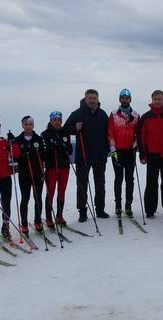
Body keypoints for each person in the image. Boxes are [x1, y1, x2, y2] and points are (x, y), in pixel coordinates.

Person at [63, 89, 110, 222]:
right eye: (89, 98)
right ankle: (82, 211)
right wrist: (75, 129)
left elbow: (109, 132)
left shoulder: (102, 114)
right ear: (85, 99)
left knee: (100, 183)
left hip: (100, 156)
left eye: (94, 98)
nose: (92, 100)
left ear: (97, 99)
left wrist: (107, 150)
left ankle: (100, 209)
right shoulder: (77, 114)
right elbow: (65, 129)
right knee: (82, 184)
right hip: (83, 155)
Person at [136, 90, 163, 218]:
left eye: (160, 99)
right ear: (152, 100)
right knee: (151, 184)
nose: (157, 101)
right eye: (155, 99)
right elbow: (140, 137)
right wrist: (142, 154)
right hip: (152, 156)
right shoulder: (146, 117)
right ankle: (150, 210)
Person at [107, 89, 140, 217]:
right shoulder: (114, 114)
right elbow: (110, 134)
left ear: (130, 100)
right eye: (123, 98)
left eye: (127, 98)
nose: (125, 100)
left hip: (130, 152)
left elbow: (138, 133)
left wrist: (136, 145)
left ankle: (128, 205)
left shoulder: (136, 115)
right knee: (118, 179)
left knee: (130, 180)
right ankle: (118, 206)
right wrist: (113, 150)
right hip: (117, 152)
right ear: (120, 99)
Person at [13, 115, 45, 235]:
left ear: (33, 125)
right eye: (26, 124)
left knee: (38, 198)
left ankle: (38, 221)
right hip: (24, 175)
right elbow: (15, 155)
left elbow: (43, 154)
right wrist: (22, 156)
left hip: (37, 173)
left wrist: (36, 154)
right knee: (25, 199)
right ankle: (24, 223)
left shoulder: (39, 139)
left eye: (30, 124)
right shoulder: (18, 139)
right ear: (22, 125)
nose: (28, 126)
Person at [41, 111, 74, 226]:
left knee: (62, 190)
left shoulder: (65, 132)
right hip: (51, 167)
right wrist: (52, 147)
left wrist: (66, 146)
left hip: (64, 166)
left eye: (59, 120)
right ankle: (48, 217)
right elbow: (43, 153)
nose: (57, 122)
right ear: (50, 121)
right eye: (54, 120)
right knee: (50, 191)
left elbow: (70, 151)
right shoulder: (45, 134)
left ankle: (59, 215)